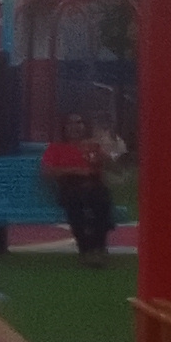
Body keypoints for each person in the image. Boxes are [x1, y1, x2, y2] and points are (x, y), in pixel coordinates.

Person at [42, 112, 124, 268]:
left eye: (79, 122)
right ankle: (86, 249)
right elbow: (47, 172)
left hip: (93, 184)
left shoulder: (93, 146)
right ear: (65, 128)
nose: (75, 127)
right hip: (71, 184)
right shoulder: (56, 148)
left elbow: (115, 168)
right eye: (71, 123)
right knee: (74, 203)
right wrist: (74, 170)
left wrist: (107, 156)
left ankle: (98, 247)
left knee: (101, 201)